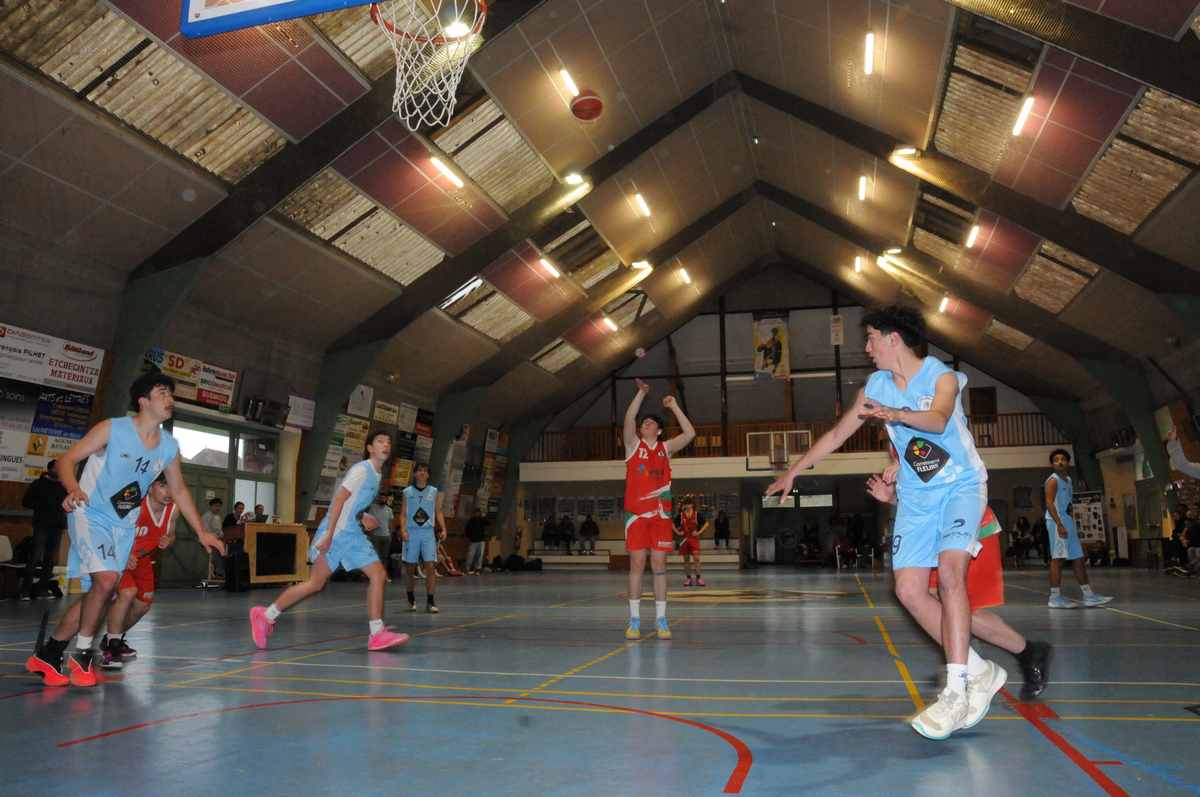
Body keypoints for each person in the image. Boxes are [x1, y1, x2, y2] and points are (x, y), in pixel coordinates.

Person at [766, 305, 1001, 740]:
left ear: (895, 339)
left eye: (872, 337)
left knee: (951, 573)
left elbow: (938, 419)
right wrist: (794, 471)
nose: (866, 347)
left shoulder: (941, 377)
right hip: (916, 498)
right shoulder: (875, 387)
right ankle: (979, 668)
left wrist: (896, 415)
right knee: (909, 591)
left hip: (961, 487)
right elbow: (837, 434)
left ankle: (955, 692)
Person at [26, 372, 226, 687]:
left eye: (171, 393)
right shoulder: (112, 428)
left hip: (124, 526)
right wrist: (74, 488)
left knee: (101, 593)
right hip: (90, 514)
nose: (170, 398)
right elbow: (67, 460)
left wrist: (202, 532)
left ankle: (49, 654)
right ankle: (82, 655)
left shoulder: (168, 446)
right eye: (162, 392)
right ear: (143, 401)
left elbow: (180, 490)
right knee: (107, 582)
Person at [867, 470, 1052, 701]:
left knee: (958, 608)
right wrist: (894, 497)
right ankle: (974, 662)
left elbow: (945, 479)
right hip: (937, 532)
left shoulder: (925, 446)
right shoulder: (900, 450)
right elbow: (922, 495)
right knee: (928, 599)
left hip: (966, 525)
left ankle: (993, 660)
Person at [250, 430, 408, 652]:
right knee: (374, 575)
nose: (386, 445)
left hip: (349, 532)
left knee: (320, 583)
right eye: (380, 441)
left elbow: (350, 504)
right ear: (370, 448)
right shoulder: (361, 470)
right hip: (339, 533)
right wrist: (328, 534)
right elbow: (338, 500)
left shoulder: (376, 474)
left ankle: (266, 615)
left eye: (388, 441)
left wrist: (362, 516)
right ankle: (376, 633)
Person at [623, 377, 695, 640]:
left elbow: (690, 434)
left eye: (651, 422)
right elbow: (629, 419)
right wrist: (641, 394)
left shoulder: (666, 448)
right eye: (644, 422)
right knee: (637, 564)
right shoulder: (633, 446)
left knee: (659, 564)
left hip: (661, 516)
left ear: (660, 430)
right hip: (636, 516)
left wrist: (674, 406)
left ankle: (661, 619)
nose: (646, 423)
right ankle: (634, 620)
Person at [99, 473, 177, 669]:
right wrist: (122, 555)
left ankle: (112, 639)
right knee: (128, 593)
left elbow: (171, 533)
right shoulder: (134, 505)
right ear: (150, 487)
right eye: (163, 486)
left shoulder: (174, 509)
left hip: (142, 560)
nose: (168, 491)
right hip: (117, 557)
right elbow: (106, 530)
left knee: (143, 606)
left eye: (171, 486)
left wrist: (169, 540)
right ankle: (112, 649)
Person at [1044, 448, 1113, 608]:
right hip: (1057, 522)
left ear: (1068, 462)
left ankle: (1088, 595)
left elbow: (1067, 505)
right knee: (1058, 559)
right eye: (1056, 460)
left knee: (1078, 558)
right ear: (1052, 464)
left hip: (1067, 521)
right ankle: (1054, 598)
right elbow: (1049, 503)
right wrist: (1059, 524)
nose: (1060, 462)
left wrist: (1071, 522)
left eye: (1063, 459)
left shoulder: (1068, 480)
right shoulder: (1053, 480)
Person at [400, 463, 447, 613]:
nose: (422, 473)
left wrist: (443, 528)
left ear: (428, 475)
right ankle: (410, 599)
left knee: (430, 567)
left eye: (425, 471)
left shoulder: (433, 491)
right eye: (419, 470)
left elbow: (438, 512)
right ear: (415, 474)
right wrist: (403, 530)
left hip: (427, 533)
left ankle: (431, 601)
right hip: (412, 532)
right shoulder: (407, 492)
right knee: (410, 568)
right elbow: (403, 514)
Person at [20, 460, 67, 600]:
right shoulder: (38, 484)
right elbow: (26, 502)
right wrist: (43, 505)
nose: (59, 471)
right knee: (35, 556)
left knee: (50, 559)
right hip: (42, 524)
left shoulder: (63, 485)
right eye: (57, 468)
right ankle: (25, 591)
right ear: (50, 469)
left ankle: (42, 589)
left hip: (57, 526)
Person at [675, 500, 710, 587]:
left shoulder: (697, 515)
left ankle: (698, 578)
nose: (688, 506)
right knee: (686, 559)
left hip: (694, 539)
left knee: (696, 558)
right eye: (686, 504)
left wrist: (699, 532)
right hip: (684, 540)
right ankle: (688, 578)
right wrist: (678, 532)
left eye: (689, 504)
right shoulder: (681, 515)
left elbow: (706, 524)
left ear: (692, 505)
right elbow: (672, 524)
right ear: (684, 505)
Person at [367, 494, 395, 571]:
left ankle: (383, 573)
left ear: (386, 499)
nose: (382, 499)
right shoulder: (373, 508)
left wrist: (391, 534)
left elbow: (391, 523)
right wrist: (370, 533)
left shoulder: (389, 510)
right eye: (381, 498)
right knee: (375, 556)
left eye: (384, 498)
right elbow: (368, 520)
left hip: (386, 536)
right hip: (375, 536)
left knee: (385, 556)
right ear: (378, 499)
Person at [464, 506, 488, 574]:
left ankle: (477, 569)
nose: (477, 514)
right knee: (470, 555)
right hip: (473, 541)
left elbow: (488, 523)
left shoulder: (482, 520)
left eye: (478, 512)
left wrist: (484, 517)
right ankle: (467, 569)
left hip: (481, 540)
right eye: (476, 512)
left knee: (480, 555)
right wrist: (470, 537)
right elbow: (467, 530)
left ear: (480, 513)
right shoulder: (471, 521)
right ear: (474, 513)